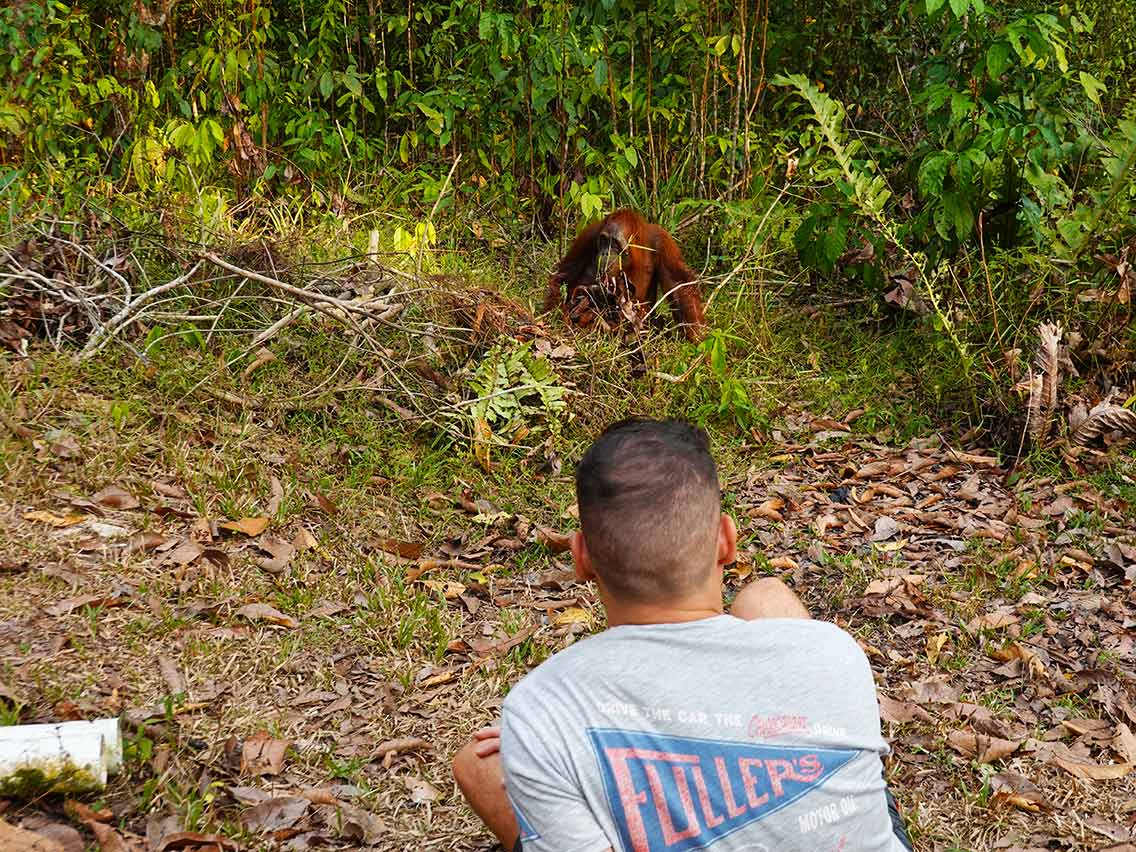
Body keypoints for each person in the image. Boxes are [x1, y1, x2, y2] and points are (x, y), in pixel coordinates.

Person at [453, 418, 912, 852]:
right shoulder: (833, 650)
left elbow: (543, 729)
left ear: (581, 558)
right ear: (727, 540)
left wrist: (545, 745)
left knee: (477, 763)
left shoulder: (540, 707)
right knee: (769, 597)